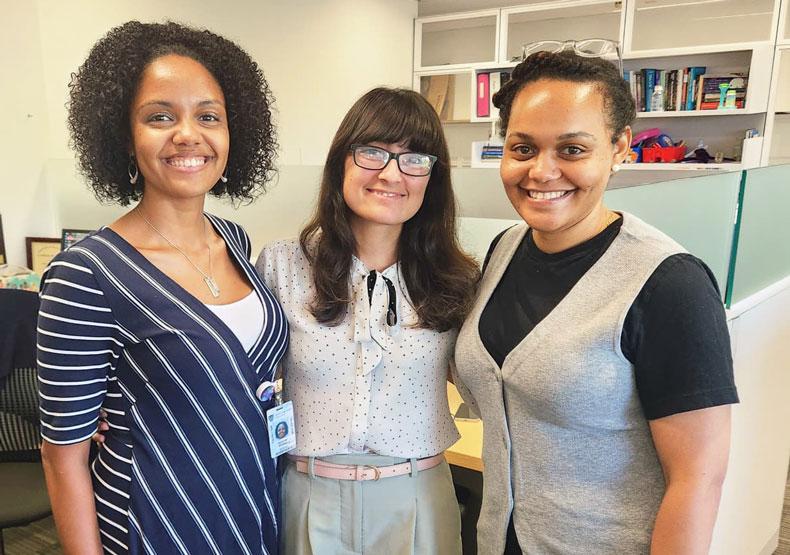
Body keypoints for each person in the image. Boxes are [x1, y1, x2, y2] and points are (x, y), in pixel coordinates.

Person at [453, 49, 738, 554]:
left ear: (619, 147)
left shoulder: (670, 285)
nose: (541, 171)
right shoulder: (504, 250)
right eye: (523, 149)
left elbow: (697, 480)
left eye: (572, 150)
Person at [37, 21, 288, 554]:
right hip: (158, 522)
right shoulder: (85, 273)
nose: (187, 134)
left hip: (252, 504)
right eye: (159, 117)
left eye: (208, 116)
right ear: (123, 137)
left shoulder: (235, 240)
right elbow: (63, 456)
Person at [255, 87, 480, 554]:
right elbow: (235, 377)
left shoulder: (458, 278)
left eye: (415, 158)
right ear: (342, 160)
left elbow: (489, 385)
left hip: (416, 497)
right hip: (308, 494)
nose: (392, 173)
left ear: (432, 178)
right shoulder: (282, 265)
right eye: (373, 153)